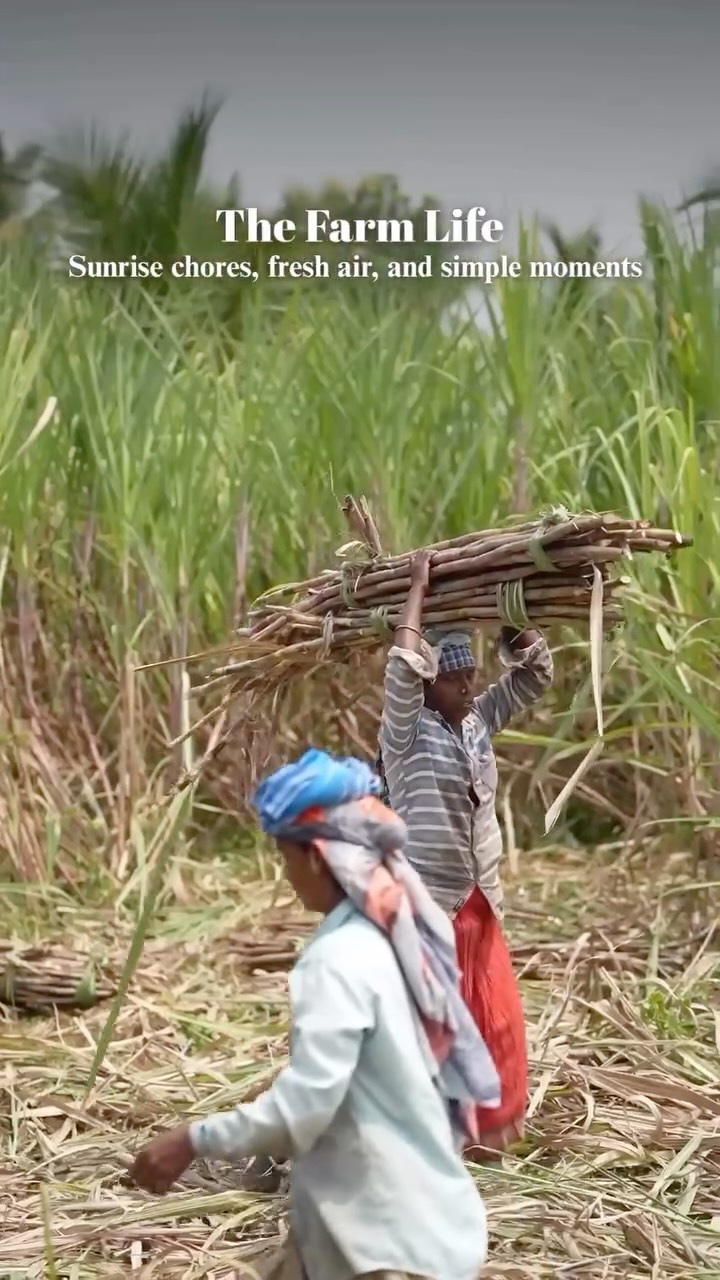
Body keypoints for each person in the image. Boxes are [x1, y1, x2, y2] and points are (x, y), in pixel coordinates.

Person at [129, 748, 499, 1280]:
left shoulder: (338, 959)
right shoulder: (391, 941)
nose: (286, 876)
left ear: (318, 858)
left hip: (386, 1245)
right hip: (402, 1226)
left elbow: (305, 1106)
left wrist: (192, 1139)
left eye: (285, 858)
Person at [377, 548, 554, 1159]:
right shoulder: (406, 733)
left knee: (497, 1018)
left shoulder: (475, 722)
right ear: (432, 685)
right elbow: (401, 670)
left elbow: (535, 674)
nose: (469, 686)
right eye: (456, 679)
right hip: (429, 905)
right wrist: (419, 588)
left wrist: (509, 608)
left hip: (478, 900)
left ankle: (489, 1134)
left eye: (471, 677)